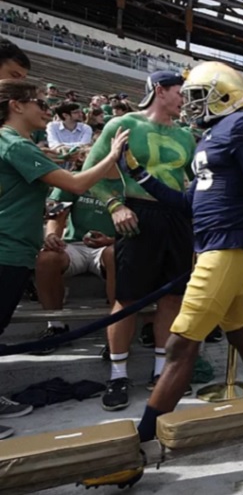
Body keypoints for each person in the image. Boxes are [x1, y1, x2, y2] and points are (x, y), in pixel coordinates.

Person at [82, 61, 243, 489]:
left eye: (198, 95)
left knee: (180, 344)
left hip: (229, 248)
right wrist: (137, 173)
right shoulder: (211, 136)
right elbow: (185, 202)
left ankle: (141, 444)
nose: (191, 104)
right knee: (240, 333)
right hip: (213, 244)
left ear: (224, 94)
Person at [0, 79, 124, 439]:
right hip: (6, 249)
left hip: (14, 249)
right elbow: (75, 186)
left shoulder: (18, 144)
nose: (47, 110)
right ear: (16, 105)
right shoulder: (14, 143)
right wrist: (111, 156)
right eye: (39, 103)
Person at [82, 70, 197, 411]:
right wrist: (115, 205)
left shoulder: (186, 136)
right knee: (127, 299)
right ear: (160, 90)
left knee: (172, 298)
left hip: (177, 218)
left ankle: (162, 372)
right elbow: (91, 173)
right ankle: (118, 375)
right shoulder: (123, 124)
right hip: (138, 214)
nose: (184, 100)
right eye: (180, 92)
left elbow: (196, 182)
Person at [34, 184, 116, 355]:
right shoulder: (76, 179)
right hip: (74, 244)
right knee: (46, 258)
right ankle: (56, 326)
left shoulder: (128, 181)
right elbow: (56, 213)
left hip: (110, 245)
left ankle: (117, 331)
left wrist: (112, 240)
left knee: (115, 255)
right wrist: (52, 236)